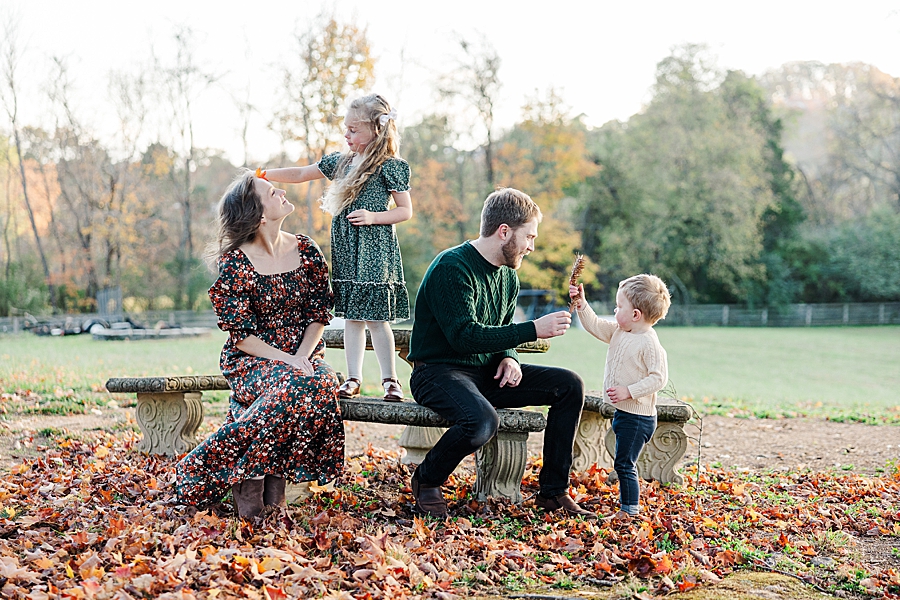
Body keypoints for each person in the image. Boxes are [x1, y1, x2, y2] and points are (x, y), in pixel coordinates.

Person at [407, 187, 592, 519]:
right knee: (481, 421)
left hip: (484, 375)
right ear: (504, 231)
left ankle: (552, 492)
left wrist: (510, 356)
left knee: (569, 385)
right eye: (529, 237)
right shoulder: (453, 267)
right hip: (437, 373)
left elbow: (501, 327)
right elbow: (464, 336)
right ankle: (427, 480)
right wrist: (532, 329)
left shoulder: (509, 276)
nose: (532, 247)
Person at [176, 169, 344, 519]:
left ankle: (250, 475)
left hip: (304, 354)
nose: (282, 192)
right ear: (260, 213)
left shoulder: (307, 250)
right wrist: (286, 360)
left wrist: (300, 356)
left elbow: (318, 314)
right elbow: (242, 335)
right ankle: (251, 480)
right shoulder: (236, 262)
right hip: (253, 358)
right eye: (271, 192)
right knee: (292, 388)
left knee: (323, 382)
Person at [265, 93, 412, 402]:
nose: (346, 135)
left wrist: (374, 217)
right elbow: (303, 174)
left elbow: (404, 211)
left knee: (375, 317)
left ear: (376, 130)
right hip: (346, 245)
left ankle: (390, 381)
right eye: (345, 128)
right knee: (352, 317)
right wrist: (263, 174)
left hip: (374, 247)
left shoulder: (389, 166)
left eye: (353, 130)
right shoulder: (340, 162)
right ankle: (353, 379)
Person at [568, 274, 671, 520]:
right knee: (622, 462)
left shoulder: (649, 343)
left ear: (636, 315)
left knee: (624, 464)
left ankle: (629, 511)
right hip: (625, 413)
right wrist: (582, 304)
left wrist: (629, 391)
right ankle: (628, 509)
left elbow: (659, 378)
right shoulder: (620, 331)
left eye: (619, 306)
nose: (615, 310)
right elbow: (595, 325)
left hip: (639, 417)